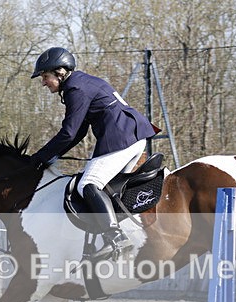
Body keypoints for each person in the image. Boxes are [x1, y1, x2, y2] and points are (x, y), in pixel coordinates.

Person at [29, 47, 157, 260]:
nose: (43, 82)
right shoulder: (83, 82)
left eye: (45, 76)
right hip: (133, 136)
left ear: (60, 73)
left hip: (121, 139)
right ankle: (108, 240)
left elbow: (68, 133)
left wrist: (39, 158)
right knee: (108, 190)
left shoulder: (75, 89)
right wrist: (51, 156)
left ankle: (116, 237)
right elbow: (78, 132)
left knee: (88, 185)